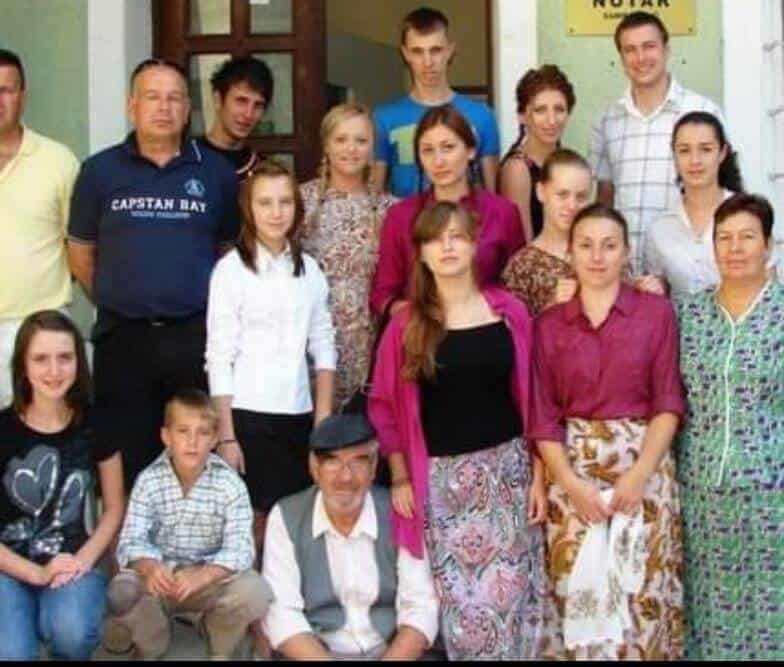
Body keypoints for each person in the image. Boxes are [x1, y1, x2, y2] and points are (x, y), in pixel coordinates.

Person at [369, 202, 547, 660]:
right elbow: (384, 405)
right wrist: (401, 475)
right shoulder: (406, 326)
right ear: (421, 252)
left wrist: (540, 475)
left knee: (515, 600)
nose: (447, 246)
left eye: (457, 236)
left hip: (508, 479)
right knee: (465, 610)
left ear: (474, 244)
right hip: (443, 486)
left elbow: (537, 396)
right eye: (435, 238)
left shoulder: (509, 313)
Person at [67, 59, 240, 491]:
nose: (164, 107)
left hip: (193, 340)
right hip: (123, 341)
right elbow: (81, 253)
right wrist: (119, 295)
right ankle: (129, 538)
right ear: (132, 106)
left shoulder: (216, 173)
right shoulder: (99, 171)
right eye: (152, 97)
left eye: (174, 98)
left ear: (188, 110)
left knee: (195, 460)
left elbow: (228, 253)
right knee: (125, 467)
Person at [530, 203, 685, 659]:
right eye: (586, 245)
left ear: (626, 252)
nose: (597, 257)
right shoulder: (549, 325)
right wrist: (571, 485)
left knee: (642, 598)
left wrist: (639, 475)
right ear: (571, 253)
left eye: (609, 245)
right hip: (573, 475)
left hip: (643, 468)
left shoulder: (656, 314)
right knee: (577, 595)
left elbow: (668, 402)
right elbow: (543, 417)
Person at [206, 159, 336, 555]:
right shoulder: (230, 271)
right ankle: (250, 597)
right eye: (265, 202)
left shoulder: (309, 270)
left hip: (298, 413)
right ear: (249, 208)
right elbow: (219, 356)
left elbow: (323, 345)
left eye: (285, 202)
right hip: (248, 415)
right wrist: (227, 435)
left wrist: (322, 418)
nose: (276, 212)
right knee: (255, 523)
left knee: (296, 520)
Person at [675, 194, 784, 660]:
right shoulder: (688, 315)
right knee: (707, 615)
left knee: (771, 612)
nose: (735, 248)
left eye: (747, 237)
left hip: (771, 495)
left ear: (768, 245)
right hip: (699, 493)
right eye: (724, 238)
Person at [105, 389, 272, 660]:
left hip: (207, 582)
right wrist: (150, 567)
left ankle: (217, 639)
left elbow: (241, 549)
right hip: (161, 581)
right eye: (183, 431)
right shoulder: (149, 480)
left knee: (255, 592)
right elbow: (130, 541)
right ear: (166, 436)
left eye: (202, 433)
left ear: (215, 439)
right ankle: (154, 644)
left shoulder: (230, 484)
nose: (192, 442)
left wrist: (204, 575)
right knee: (122, 590)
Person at [262, 414, 439, 660]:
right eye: (333, 462)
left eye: (358, 462)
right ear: (314, 468)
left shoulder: (398, 512)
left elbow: (421, 607)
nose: (345, 477)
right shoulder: (286, 516)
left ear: (374, 467)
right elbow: (282, 615)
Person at [0, 311, 124, 660]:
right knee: (12, 653)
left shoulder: (97, 424)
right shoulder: (3, 430)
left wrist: (82, 561)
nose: (54, 371)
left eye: (65, 357)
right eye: (41, 358)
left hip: (71, 561)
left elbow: (114, 507)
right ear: (23, 365)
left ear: (79, 362)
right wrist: (38, 574)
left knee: (72, 632)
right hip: (7, 567)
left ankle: (48, 618)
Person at [589, 11, 724, 273]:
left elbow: (728, 187)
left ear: (666, 50)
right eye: (630, 50)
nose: (640, 58)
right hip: (626, 275)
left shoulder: (702, 111)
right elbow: (605, 198)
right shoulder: (606, 121)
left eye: (649, 46)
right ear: (621, 58)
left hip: (689, 272)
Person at [370, 104, 524, 318]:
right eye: (428, 150)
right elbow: (383, 293)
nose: (438, 161)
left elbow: (518, 286)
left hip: (486, 326)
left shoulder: (503, 212)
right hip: (420, 331)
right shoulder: (400, 216)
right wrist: (416, 315)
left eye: (448, 147)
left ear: (470, 150)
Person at [300, 104, 397, 411]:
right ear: (326, 145)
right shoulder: (299, 202)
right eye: (341, 139)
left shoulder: (390, 210)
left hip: (367, 346)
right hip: (308, 343)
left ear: (372, 148)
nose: (351, 149)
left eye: (361, 140)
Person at [0, 49, 80, 408]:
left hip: (39, 330)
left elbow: (78, 245)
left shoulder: (57, 161)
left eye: (6, 90)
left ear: (23, 96)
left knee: (38, 434)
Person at [373, 7, 500, 197]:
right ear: (405, 54)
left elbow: (492, 196)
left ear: (450, 50)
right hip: (406, 215)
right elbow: (375, 196)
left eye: (436, 50)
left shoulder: (481, 116)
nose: (428, 62)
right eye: (417, 51)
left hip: (465, 215)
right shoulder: (384, 118)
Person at [643, 112, 745, 297]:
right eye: (684, 151)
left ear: (722, 153)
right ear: (674, 155)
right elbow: (658, 293)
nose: (695, 160)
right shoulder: (659, 228)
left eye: (706, 149)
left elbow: (768, 290)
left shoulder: (747, 215)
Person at [502, 149, 591, 315]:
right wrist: (551, 306)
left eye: (581, 197)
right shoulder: (522, 267)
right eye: (562, 195)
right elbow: (515, 328)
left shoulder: (606, 253)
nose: (572, 206)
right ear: (541, 192)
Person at [499, 65, 576, 241]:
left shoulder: (567, 162)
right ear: (522, 116)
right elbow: (523, 246)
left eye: (559, 109)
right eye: (540, 110)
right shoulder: (518, 169)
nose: (552, 120)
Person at [199, 55, 273, 180]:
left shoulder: (264, 172)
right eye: (241, 101)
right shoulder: (185, 160)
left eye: (258, 105)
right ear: (218, 99)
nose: (248, 114)